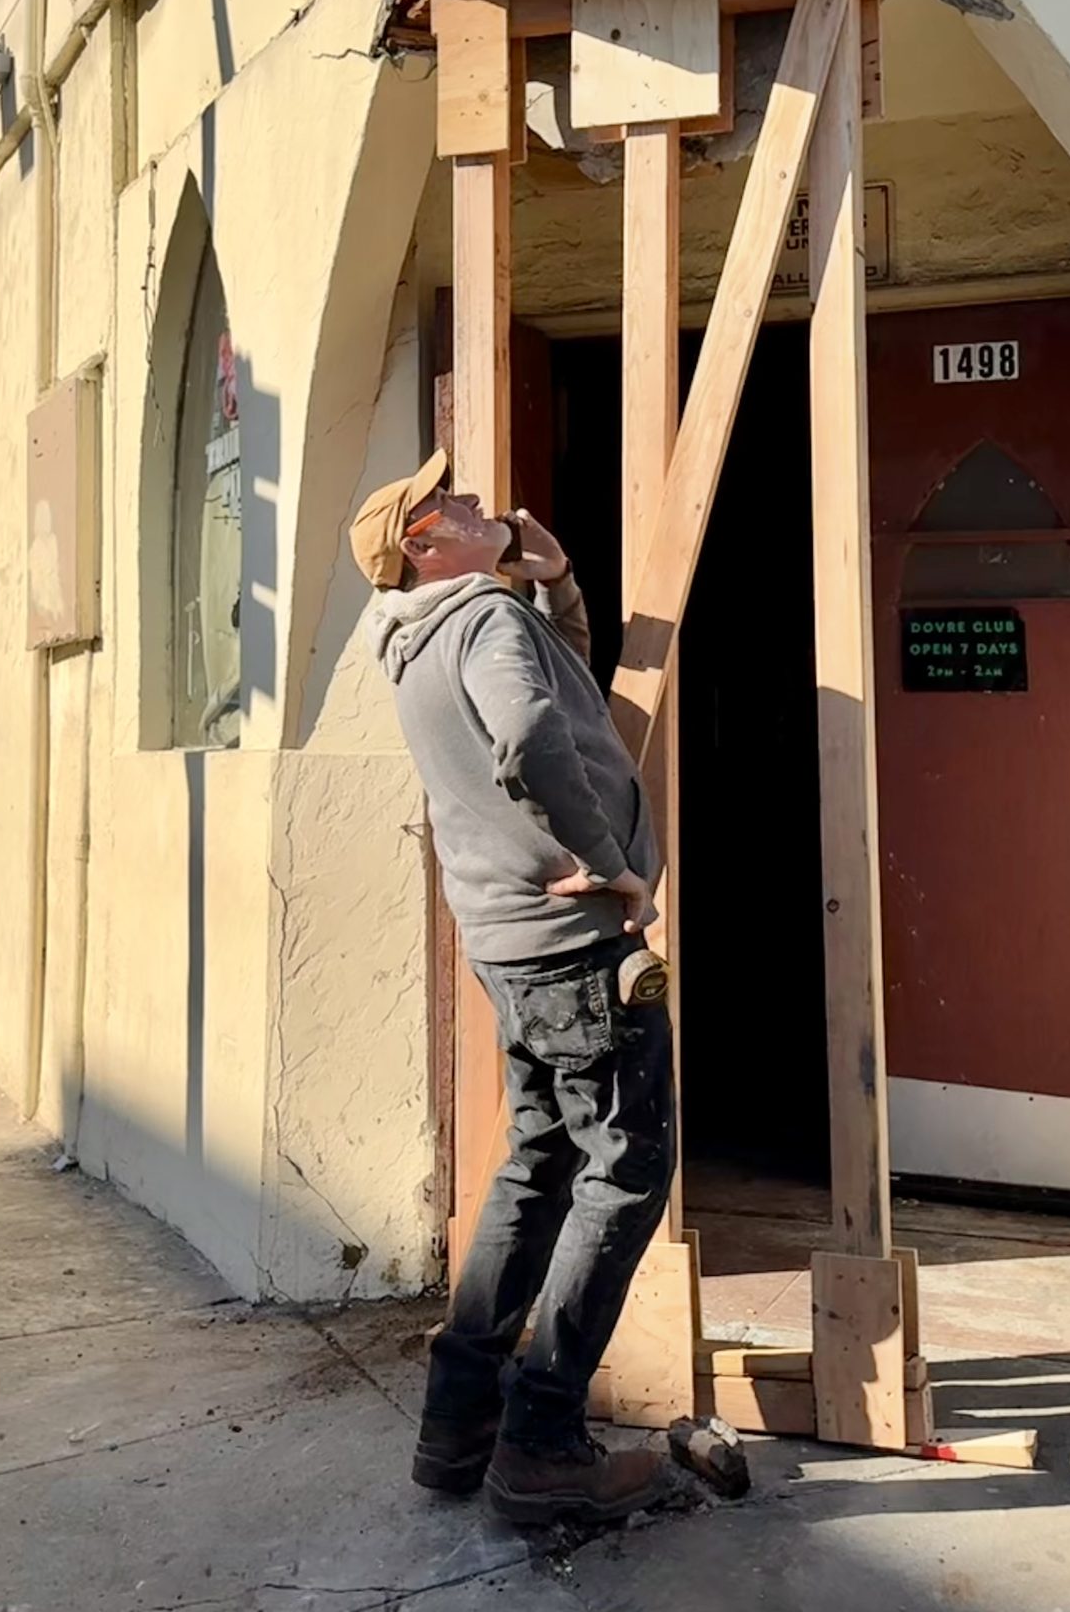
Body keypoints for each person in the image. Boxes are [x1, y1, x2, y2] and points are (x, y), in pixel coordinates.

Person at [351, 450, 674, 1525]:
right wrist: (608, 859)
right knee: (624, 1170)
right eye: (450, 501)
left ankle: (457, 1427)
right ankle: (541, 1440)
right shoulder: (481, 623)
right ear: (423, 545)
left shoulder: (427, 637)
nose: (476, 499)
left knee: (540, 1159)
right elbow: (532, 733)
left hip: (505, 938)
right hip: (571, 937)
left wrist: (559, 584)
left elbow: (564, 694)